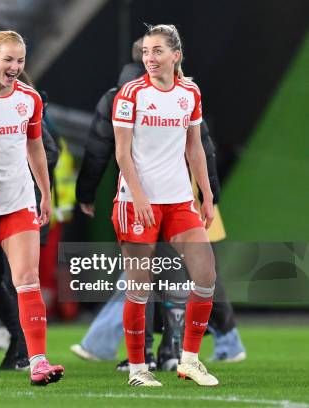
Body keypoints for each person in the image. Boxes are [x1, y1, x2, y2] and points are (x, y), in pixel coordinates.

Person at [111, 24, 219, 387]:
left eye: (157, 51)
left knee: (205, 275)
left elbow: (195, 147)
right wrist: (139, 196)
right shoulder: (131, 93)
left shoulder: (190, 92)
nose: (150, 58)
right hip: (136, 201)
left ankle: (188, 360)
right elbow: (122, 153)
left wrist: (206, 194)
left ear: (176, 55)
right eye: (145, 52)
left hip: (178, 201)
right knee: (139, 287)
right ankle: (138, 369)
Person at [0, 30, 64, 386]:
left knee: (27, 280)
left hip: (19, 201)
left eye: (20, 61)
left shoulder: (30, 99)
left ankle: (37, 361)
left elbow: (36, 147)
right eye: (8, 59)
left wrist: (45, 193)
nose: (15, 67)